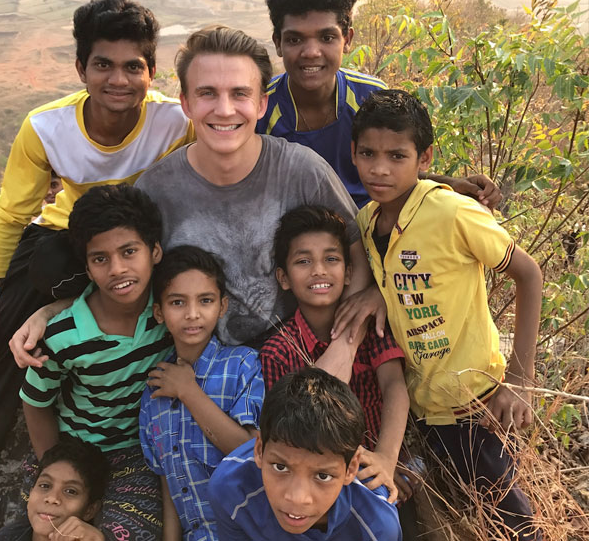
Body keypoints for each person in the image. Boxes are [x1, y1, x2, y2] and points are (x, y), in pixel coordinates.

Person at [0, 0, 193, 533]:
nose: (118, 79)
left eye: (134, 66)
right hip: (64, 247)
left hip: (135, 247)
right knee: (6, 352)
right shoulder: (47, 127)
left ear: (151, 71)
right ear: (80, 66)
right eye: (102, 64)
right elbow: (11, 217)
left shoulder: (174, 122)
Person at [353, 89, 543, 540]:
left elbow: (529, 274)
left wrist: (521, 381)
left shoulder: (453, 211)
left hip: (474, 403)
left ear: (424, 158)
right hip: (422, 409)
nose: (380, 168)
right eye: (367, 154)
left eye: (397, 156)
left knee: (512, 525)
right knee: (456, 520)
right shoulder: (366, 220)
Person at [135, 25, 377, 353]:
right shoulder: (155, 190)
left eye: (239, 93)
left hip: (302, 356)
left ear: (261, 104)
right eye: (207, 93)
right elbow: (124, 279)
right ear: (186, 104)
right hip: (204, 370)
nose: (224, 110)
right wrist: (51, 310)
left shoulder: (302, 171)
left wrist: (342, 350)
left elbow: (356, 252)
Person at [20, 184, 173, 540]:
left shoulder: (169, 312)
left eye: (129, 251)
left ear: (155, 251)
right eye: (100, 259)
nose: (117, 269)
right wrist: (55, 468)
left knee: (126, 533)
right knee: (48, 530)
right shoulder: (62, 336)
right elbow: (35, 401)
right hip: (72, 450)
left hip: (134, 456)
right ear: (87, 269)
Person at [258, 0, 501, 208]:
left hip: (372, 229)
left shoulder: (370, 96)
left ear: (347, 40)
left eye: (327, 38)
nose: (311, 52)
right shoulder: (260, 107)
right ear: (278, 43)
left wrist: (451, 184)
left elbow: (393, 170)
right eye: (294, 39)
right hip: (301, 243)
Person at [260, 205, 408, 502]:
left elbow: (394, 386)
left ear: (349, 272)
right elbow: (283, 431)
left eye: (331, 259)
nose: (319, 270)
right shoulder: (277, 351)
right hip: (312, 480)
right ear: (283, 277)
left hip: (374, 465)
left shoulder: (370, 324)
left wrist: (386, 460)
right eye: (303, 261)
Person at [139, 245, 265, 541]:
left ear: (222, 306)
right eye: (177, 302)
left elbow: (250, 452)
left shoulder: (242, 365)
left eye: (205, 301)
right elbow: (168, 486)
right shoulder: (153, 392)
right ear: (159, 311)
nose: (192, 314)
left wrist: (188, 391)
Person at [208, 367, 402, 541]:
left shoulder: (376, 527)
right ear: (259, 451)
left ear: (350, 469)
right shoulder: (231, 490)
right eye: (280, 467)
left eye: (323, 476)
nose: (297, 498)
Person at [0, 437, 109, 541]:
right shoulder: (7, 536)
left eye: (70, 491)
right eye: (44, 485)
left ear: (90, 510)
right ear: (31, 492)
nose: (52, 498)